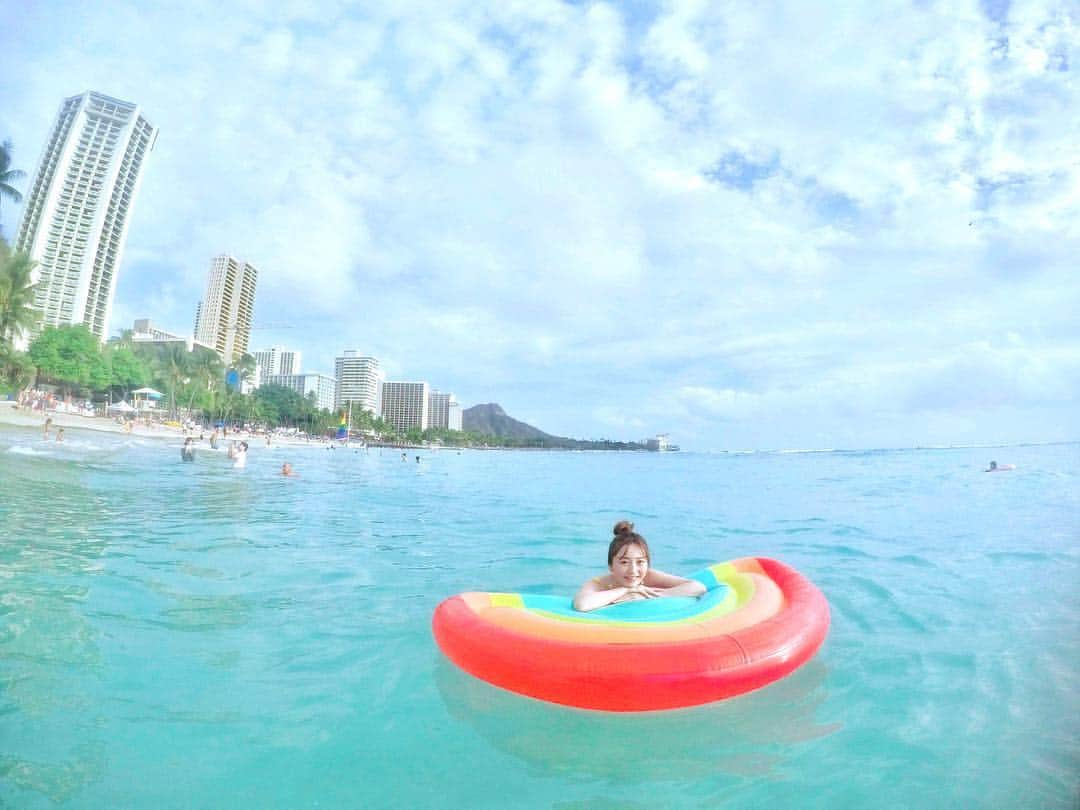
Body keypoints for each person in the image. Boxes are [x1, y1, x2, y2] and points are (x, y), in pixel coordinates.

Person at [573, 521, 707, 612]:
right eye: (624, 562)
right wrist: (625, 591)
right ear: (611, 566)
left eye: (640, 562)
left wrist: (650, 595)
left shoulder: (650, 576)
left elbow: (698, 587)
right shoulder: (599, 583)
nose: (633, 570)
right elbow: (581, 604)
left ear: (647, 564)